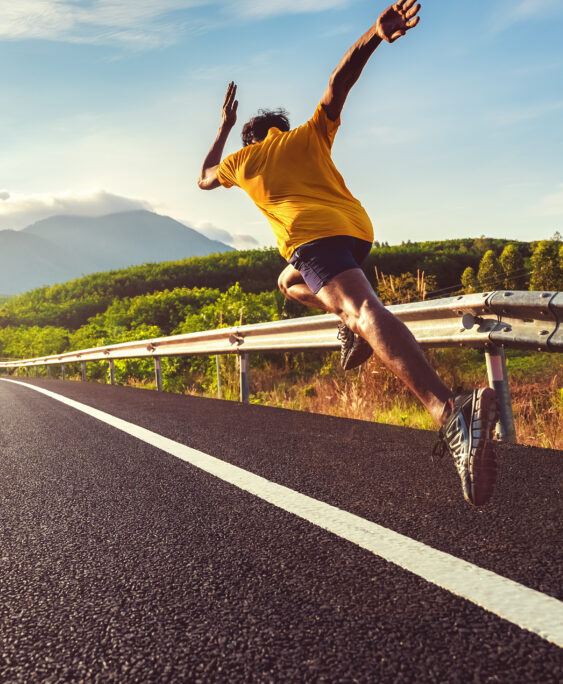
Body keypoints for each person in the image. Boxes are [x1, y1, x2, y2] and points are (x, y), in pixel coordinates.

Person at [197, 0, 500, 506]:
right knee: (289, 283)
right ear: (279, 126)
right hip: (355, 231)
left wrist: (224, 128)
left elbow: (203, 178)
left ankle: (452, 413)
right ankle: (348, 324)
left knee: (363, 311)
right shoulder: (308, 134)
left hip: (312, 238)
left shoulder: (242, 160)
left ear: (251, 137)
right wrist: (373, 35)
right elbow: (338, 84)